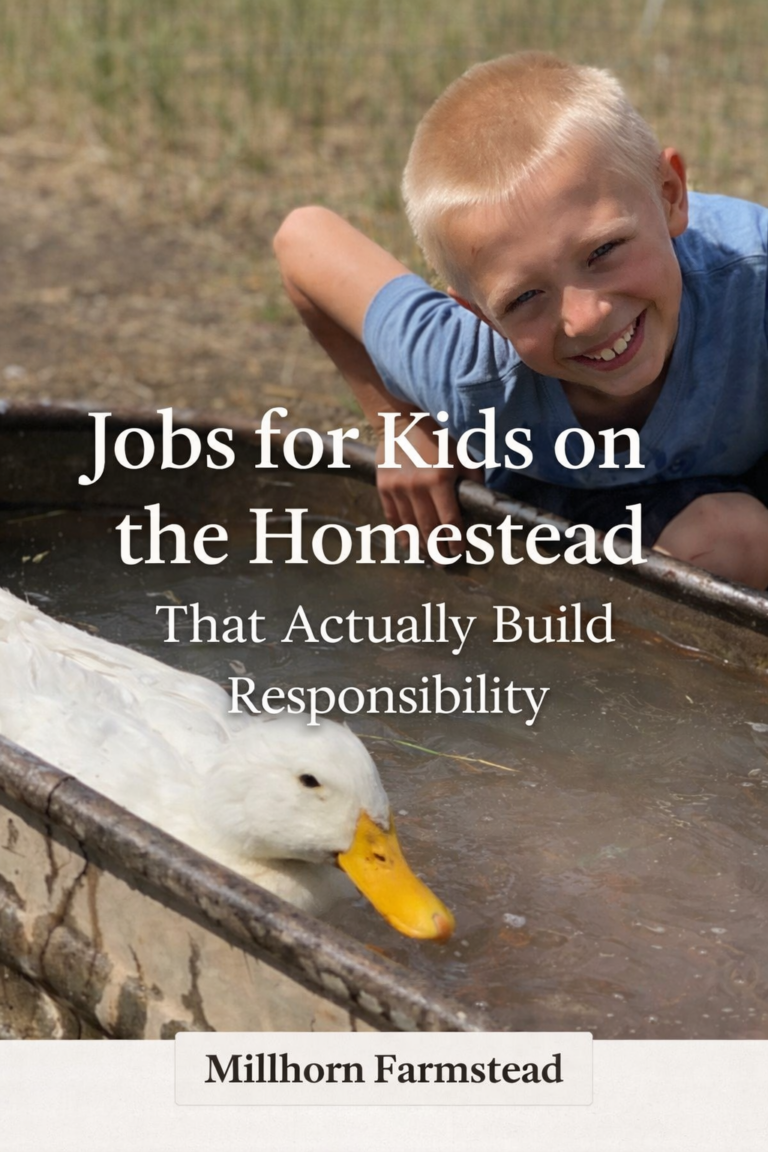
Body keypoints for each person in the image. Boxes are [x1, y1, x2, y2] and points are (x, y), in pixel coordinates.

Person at [273, 51, 768, 589]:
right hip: (574, 507)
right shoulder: (471, 368)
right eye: (526, 296)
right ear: (478, 312)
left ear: (670, 195)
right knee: (732, 538)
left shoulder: (754, 279)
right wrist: (402, 425)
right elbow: (302, 239)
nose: (585, 317)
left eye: (603, 250)